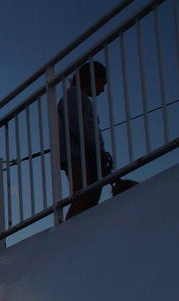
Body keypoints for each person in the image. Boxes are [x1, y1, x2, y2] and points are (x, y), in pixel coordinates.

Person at [57, 61, 115, 219]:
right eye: (102, 83)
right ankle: (68, 233)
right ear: (92, 78)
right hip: (78, 155)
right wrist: (97, 149)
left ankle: (78, 229)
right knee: (83, 195)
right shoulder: (73, 96)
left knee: (89, 195)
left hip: (82, 154)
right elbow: (80, 126)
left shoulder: (76, 97)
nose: (102, 89)